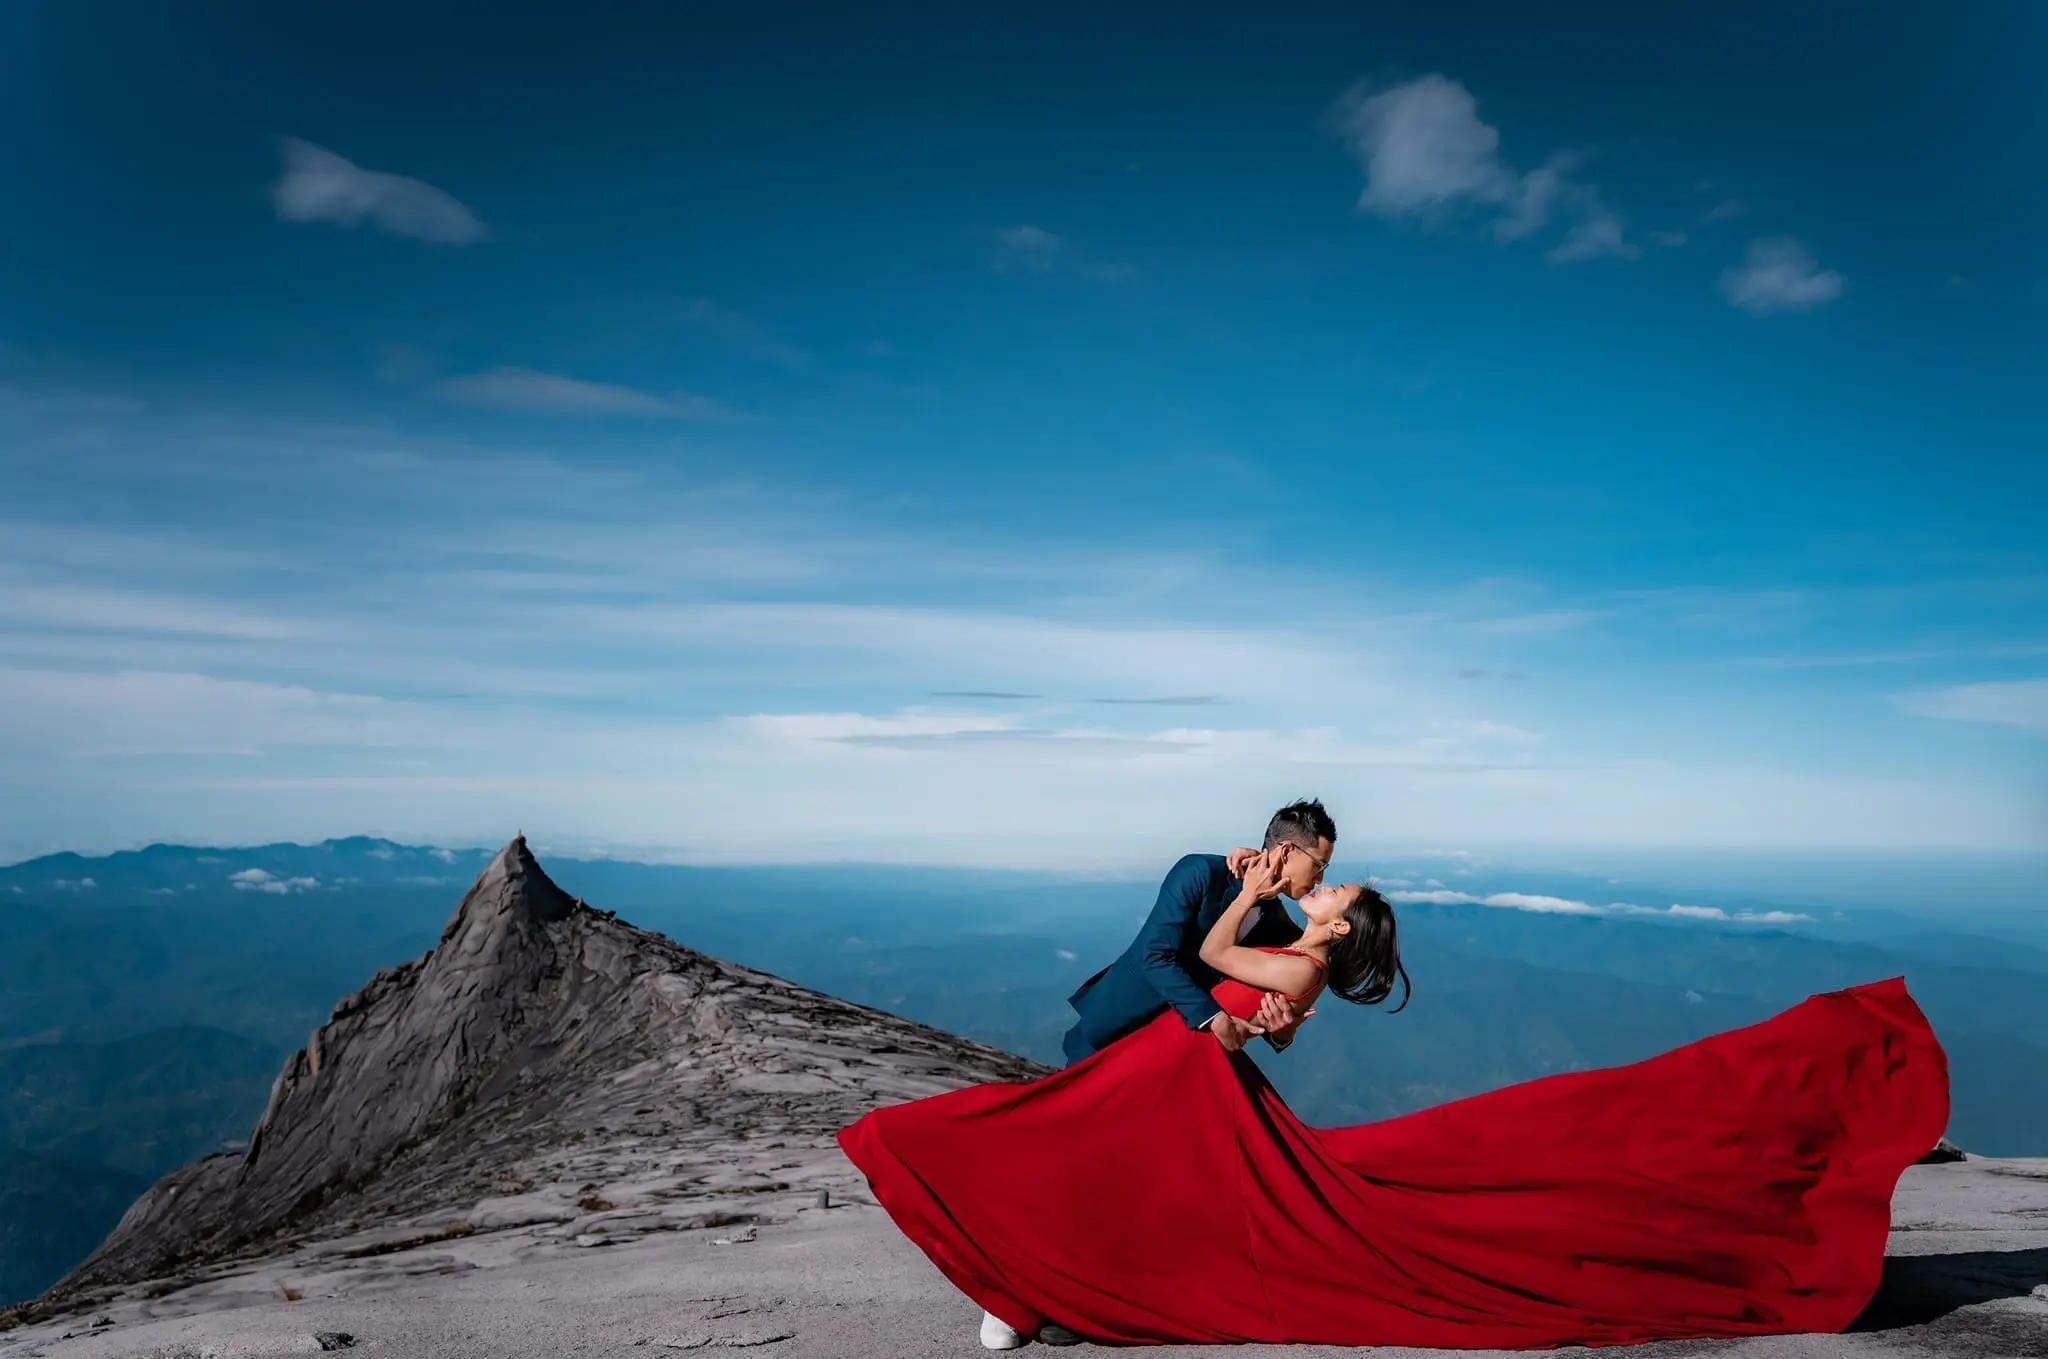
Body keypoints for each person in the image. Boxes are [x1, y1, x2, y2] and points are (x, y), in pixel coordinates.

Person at [836, 851, 1949, 1350]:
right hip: (1173, 1077)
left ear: (1332, 927)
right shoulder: (1296, 950)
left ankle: (1022, 1292)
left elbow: (1217, 943)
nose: (1320, 886)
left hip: (1180, 1085)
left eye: (1331, 893)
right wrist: (1263, 902)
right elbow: (1221, 961)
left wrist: (1256, 892)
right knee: (1070, 1172)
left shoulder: (1297, 956)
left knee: (1041, 1163)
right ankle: (1021, 1290)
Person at [1060, 798, 1342, 1068]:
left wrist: (1283, 1032)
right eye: (1319, 865)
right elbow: (1155, 956)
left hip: (1174, 1059)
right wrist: (1215, 1019)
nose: (1320, 879)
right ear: (1286, 851)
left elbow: (1261, 1004)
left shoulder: (1279, 928)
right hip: (1113, 1028)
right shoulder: (1201, 873)